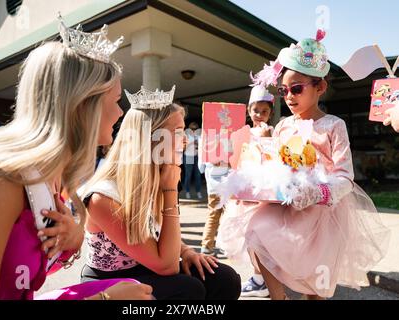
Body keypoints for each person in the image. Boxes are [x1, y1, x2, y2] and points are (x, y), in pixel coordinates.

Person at [0, 16, 152, 300]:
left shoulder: (48, 175)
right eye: (116, 99)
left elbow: (21, 270)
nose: (121, 113)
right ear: (83, 105)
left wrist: (73, 238)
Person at [217, 30, 390, 300]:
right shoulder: (284, 125)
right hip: (287, 208)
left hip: (323, 217)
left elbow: (345, 176)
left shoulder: (334, 125)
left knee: (315, 286)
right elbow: (274, 165)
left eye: (297, 88)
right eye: (283, 90)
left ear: (319, 87)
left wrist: (318, 192)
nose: (289, 96)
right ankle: (278, 297)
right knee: (256, 232)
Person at [80, 86, 241, 300]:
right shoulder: (103, 197)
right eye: (176, 132)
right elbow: (167, 267)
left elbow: (154, 233)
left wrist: (186, 251)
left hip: (146, 267)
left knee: (223, 278)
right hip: (108, 282)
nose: (184, 140)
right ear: (150, 139)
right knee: (188, 289)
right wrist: (170, 190)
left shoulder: (153, 176)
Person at [218, 85, 275, 297]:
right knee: (249, 238)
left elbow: (273, 160)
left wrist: (267, 138)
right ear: (248, 111)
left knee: (261, 238)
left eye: (264, 111)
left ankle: (262, 279)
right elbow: (235, 160)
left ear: (270, 113)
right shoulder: (242, 133)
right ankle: (259, 278)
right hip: (244, 190)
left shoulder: (271, 132)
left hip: (263, 192)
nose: (259, 115)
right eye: (255, 110)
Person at [183, 122, 203, 199]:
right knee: (188, 175)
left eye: (195, 129)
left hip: (196, 156)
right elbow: (183, 146)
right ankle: (187, 192)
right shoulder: (186, 134)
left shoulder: (199, 135)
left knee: (198, 175)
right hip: (188, 156)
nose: (194, 130)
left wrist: (198, 144)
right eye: (192, 129)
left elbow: (202, 145)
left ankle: (198, 192)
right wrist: (192, 143)